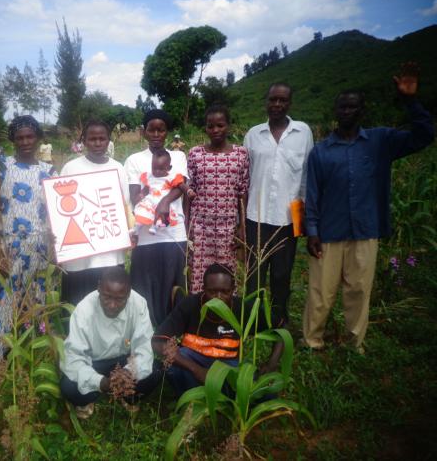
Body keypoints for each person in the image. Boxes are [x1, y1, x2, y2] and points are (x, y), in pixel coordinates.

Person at [303, 63, 435, 353]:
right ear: (335, 111)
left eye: (353, 107)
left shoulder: (381, 141)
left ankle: (354, 344)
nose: (347, 111)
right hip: (328, 231)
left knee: (359, 290)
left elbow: (424, 136)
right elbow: (312, 194)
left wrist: (410, 101)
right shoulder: (321, 151)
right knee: (321, 291)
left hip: (365, 229)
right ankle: (312, 341)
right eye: (342, 107)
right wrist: (311, 230)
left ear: (362, 111)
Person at [152, 263, 282, 397]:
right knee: (175, 364)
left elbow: (281, 328)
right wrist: (197, 370)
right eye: (212, 291)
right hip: (194, 361)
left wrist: (272, 363)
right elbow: (158, 342)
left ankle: (222, 396)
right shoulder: (190, 304)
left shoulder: (242, 308)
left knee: (265, 390)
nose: (218, 297)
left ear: (232, 290)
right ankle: (194, 399)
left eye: (225, 292)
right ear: (203, 289)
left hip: (229, 366)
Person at [243, 83, 314, 327]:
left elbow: (306, 177)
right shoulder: (253, 134)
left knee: (282, 274)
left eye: (282, 100)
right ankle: (252, 323)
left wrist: (302, 220)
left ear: (290, 103)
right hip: (255, 217)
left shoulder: (303, 132)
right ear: (266, 101)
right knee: (254, 274)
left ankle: (278, 321)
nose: (277, 104)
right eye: (273, 99)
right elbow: (245, 177)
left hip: (287, 219)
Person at [0, 116, 56, 358]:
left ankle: (34, 356)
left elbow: (54, 213)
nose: (25, 142)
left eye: (30, 137)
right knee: (7, 301)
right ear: (12, 140)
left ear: (38, 138)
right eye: (20, 138)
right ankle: (2, 360)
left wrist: (54, 250)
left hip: (41, 247)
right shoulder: (1, 167)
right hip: (11, 247)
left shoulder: (49, 171)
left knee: (39, 301)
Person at [59, 266, 158, 418]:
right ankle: (99, 392)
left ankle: (125, 396)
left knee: (154, 372)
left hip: (124, 362)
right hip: (93, 363)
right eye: (107, 297)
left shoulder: (138, 304)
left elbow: (144, 349)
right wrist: (100, 382)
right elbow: (73, 358)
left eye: (120, 299)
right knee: (68, 387)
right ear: (99, 288)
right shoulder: (84, 310)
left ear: (128, 293)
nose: (112, 305)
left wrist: (127, 373)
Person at [125, 109, 188, 326]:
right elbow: (134, 195)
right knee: (145, 288)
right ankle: (147, 334)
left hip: (174, 233)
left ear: (167, 132)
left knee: (173, 285)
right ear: (144, 132)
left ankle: (173, 334)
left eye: (161, 130)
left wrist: (164, 202)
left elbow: (180, 185)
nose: (156, 134)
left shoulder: (178, 156)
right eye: (151, 129)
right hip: (145, 235)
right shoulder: (134, 160)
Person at [59, 120, 130, 305]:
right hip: (78, 255)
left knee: (108, 303)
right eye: (92, 139)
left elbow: (124, 206)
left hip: (110, 253)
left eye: (102, 138)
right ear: (84, 141)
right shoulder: (70, 168)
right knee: (77, 304)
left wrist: (128, 234)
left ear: (108, 141)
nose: (97, 143)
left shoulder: (118, 168)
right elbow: (61, 206)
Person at [187, 104, 249, 293]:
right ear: (205, 128)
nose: (215, 130)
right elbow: (189, 191)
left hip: (228, 227)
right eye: (210, 126)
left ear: (228, 126)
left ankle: (225, 310)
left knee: (226, 274)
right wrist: (187, 225)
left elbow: (243, 192)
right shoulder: (195, 154)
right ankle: (199, 308)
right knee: (199, 275)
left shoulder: (240, 154)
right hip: (200, 226)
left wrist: (242, 226)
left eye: (220, 125)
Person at [132, 149, 190, 238]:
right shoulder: (149, 176)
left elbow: (181, 185)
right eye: (154, 168)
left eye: (161, 169)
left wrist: (189, 191)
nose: (157, 172)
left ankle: (154, 227)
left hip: (162, 200)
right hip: (151, 200)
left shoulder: (171, 177)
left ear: (169, 168)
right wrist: (141, 195)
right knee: (143, 212)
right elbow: (146, 189)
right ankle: (136, 229)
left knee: (161, 215)